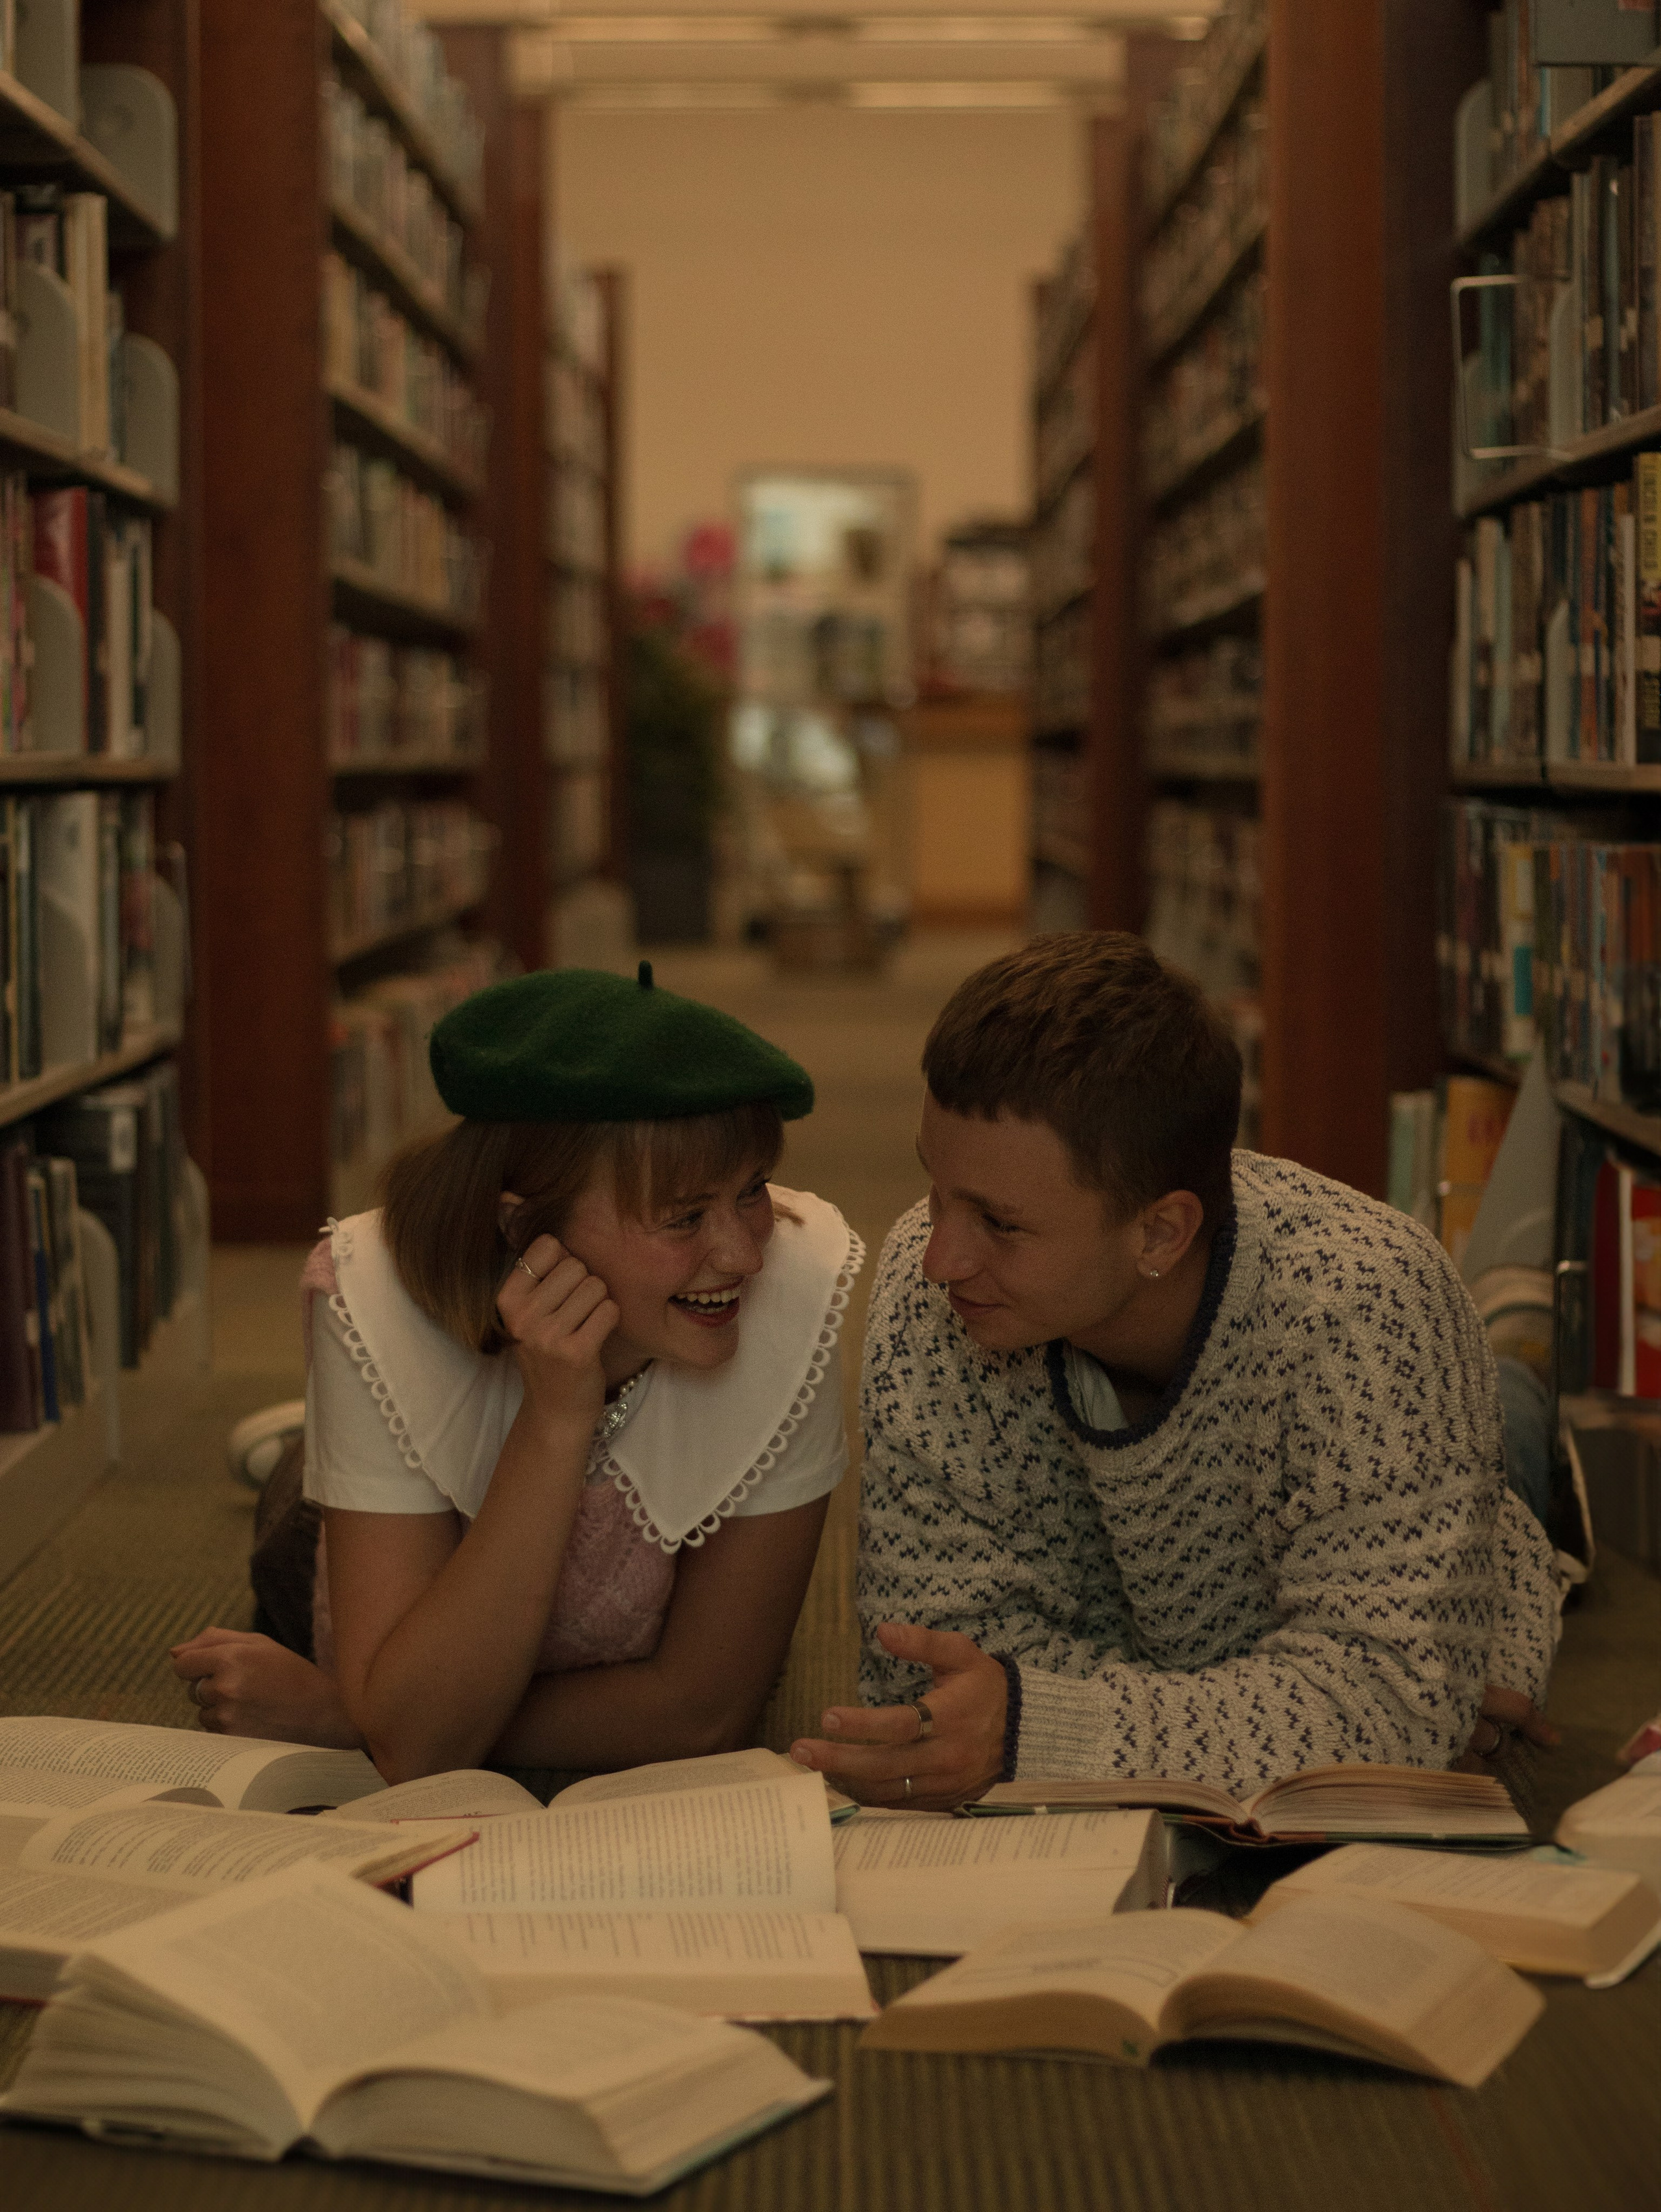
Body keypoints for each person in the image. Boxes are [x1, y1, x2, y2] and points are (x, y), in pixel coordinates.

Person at [788, 933, 1562, 1810]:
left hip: (1415, 1384)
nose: (939, 1258)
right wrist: (1299, 1700)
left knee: (1508, 1416)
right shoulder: (932, 1289)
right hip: (1356, 1488)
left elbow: (1385, 1709)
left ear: (1160, 1232)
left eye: (1000, 1223)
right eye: (937, 1189)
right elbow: (926, 1689)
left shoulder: (1368, 1306)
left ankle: (1510, 1478)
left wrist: (1039, 1726)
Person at [171, 965, 863, 1782]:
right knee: (301, 1501)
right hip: (346, 1545)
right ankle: (315, 1444)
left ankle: (320, 1435)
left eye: (751, 1190)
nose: (745, 1255)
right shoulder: (372, 1296)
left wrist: (346, 1717)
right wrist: (555, 1421)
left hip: (496, 1628)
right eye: (683, 1217)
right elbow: (423, 1740)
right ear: (524, 1224)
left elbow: (703, 1712)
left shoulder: (795, 1281)